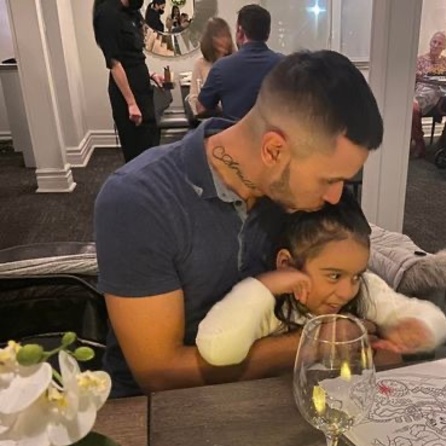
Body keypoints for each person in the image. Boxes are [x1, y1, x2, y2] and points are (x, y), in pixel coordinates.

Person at [94, 50, 383, 397]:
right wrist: (314, 343)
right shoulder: (139, 200)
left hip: (282, 389)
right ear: (273, 150)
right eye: (329, 180)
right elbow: (159, 373)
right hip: (165, 408)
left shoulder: (303, 197)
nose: (337, 197)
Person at [197, 195, 446, 366]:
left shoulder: (366, 289)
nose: (347, 292)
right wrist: (264, 287)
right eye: (334, 276)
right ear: (286, 264)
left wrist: (419, 327)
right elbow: (216, 350)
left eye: (356, 275)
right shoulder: (268, 306)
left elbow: (425, 315)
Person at [93, 0, 163, 163]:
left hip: (142, 87)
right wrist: (131, 103)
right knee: (137, 151)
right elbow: (114, 63)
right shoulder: (107, 14)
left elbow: (133, 56)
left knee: (150, 143)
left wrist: (150, 74)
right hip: (127, 93)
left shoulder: (131, 12)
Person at [196, 4, 283, 120]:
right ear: (267, 34)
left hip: (234, 130)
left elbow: (201, 108)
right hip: (273, 131)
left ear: (240, 32)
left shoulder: (221, 68)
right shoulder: (284, 66)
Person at [411, 31, 446, 158]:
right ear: (430, 43)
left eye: (440, 43)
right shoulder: (420, 60)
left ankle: (445, 141)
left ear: (444, 47)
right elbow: (414, 77)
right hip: (424, 92)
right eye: (434, 42)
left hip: (442, 93)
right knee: (412, 109)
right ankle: (419, 142)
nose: (436, 45)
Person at [186, 17, 234, 113]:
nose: (225, 40)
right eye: (220, 36)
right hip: (209, 116)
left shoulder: (235, 61)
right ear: (210, 40)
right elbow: (193, 98)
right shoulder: (200, 64)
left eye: (226, 36)